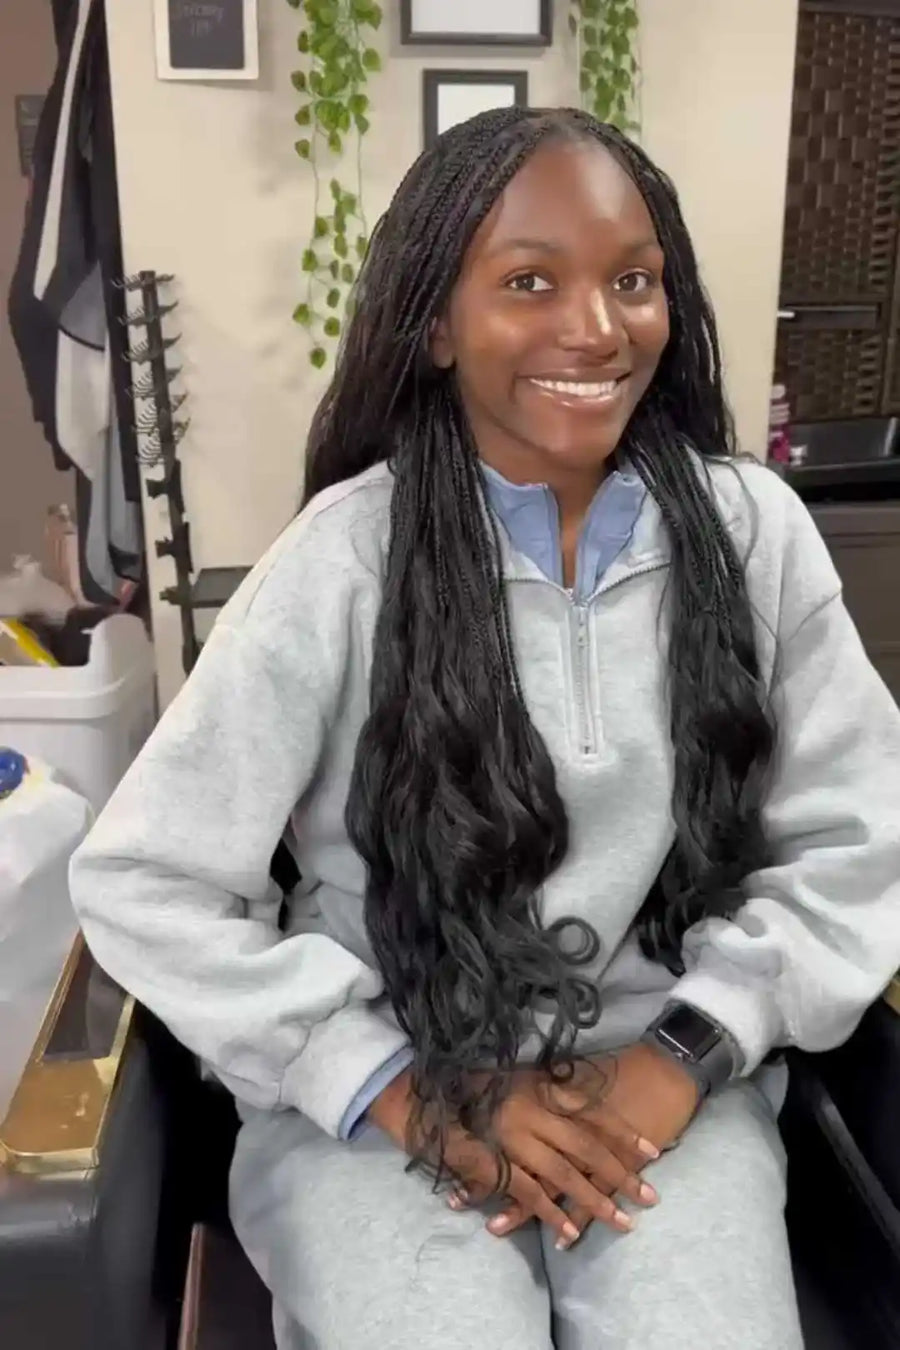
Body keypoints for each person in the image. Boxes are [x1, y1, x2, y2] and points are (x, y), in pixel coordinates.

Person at [69, 106, 900, 1350]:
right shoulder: (346, 559)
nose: (596, 327)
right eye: (529, 282)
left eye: (634, 280)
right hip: (387, 1101)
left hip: (667, 1084)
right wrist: (401, 1094)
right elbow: (146, 876)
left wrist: (685, 1053)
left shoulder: (753, 536)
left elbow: (860, 833)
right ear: (437, 324)